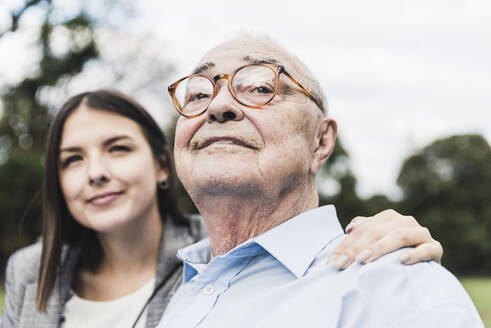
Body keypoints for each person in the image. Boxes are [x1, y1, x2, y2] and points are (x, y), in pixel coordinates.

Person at [0, 90, 443, 328]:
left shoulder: (222, 257)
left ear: (161, 165)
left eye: (117, 149)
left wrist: (392, 236)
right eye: (72, 159)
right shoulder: (28, 271)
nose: (94, 172)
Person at [157, 36, 484, 327]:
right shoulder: (177, 285)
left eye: (260, 87)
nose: (218, 105)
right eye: (199, 93)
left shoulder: (396, 290)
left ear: (321, 141)